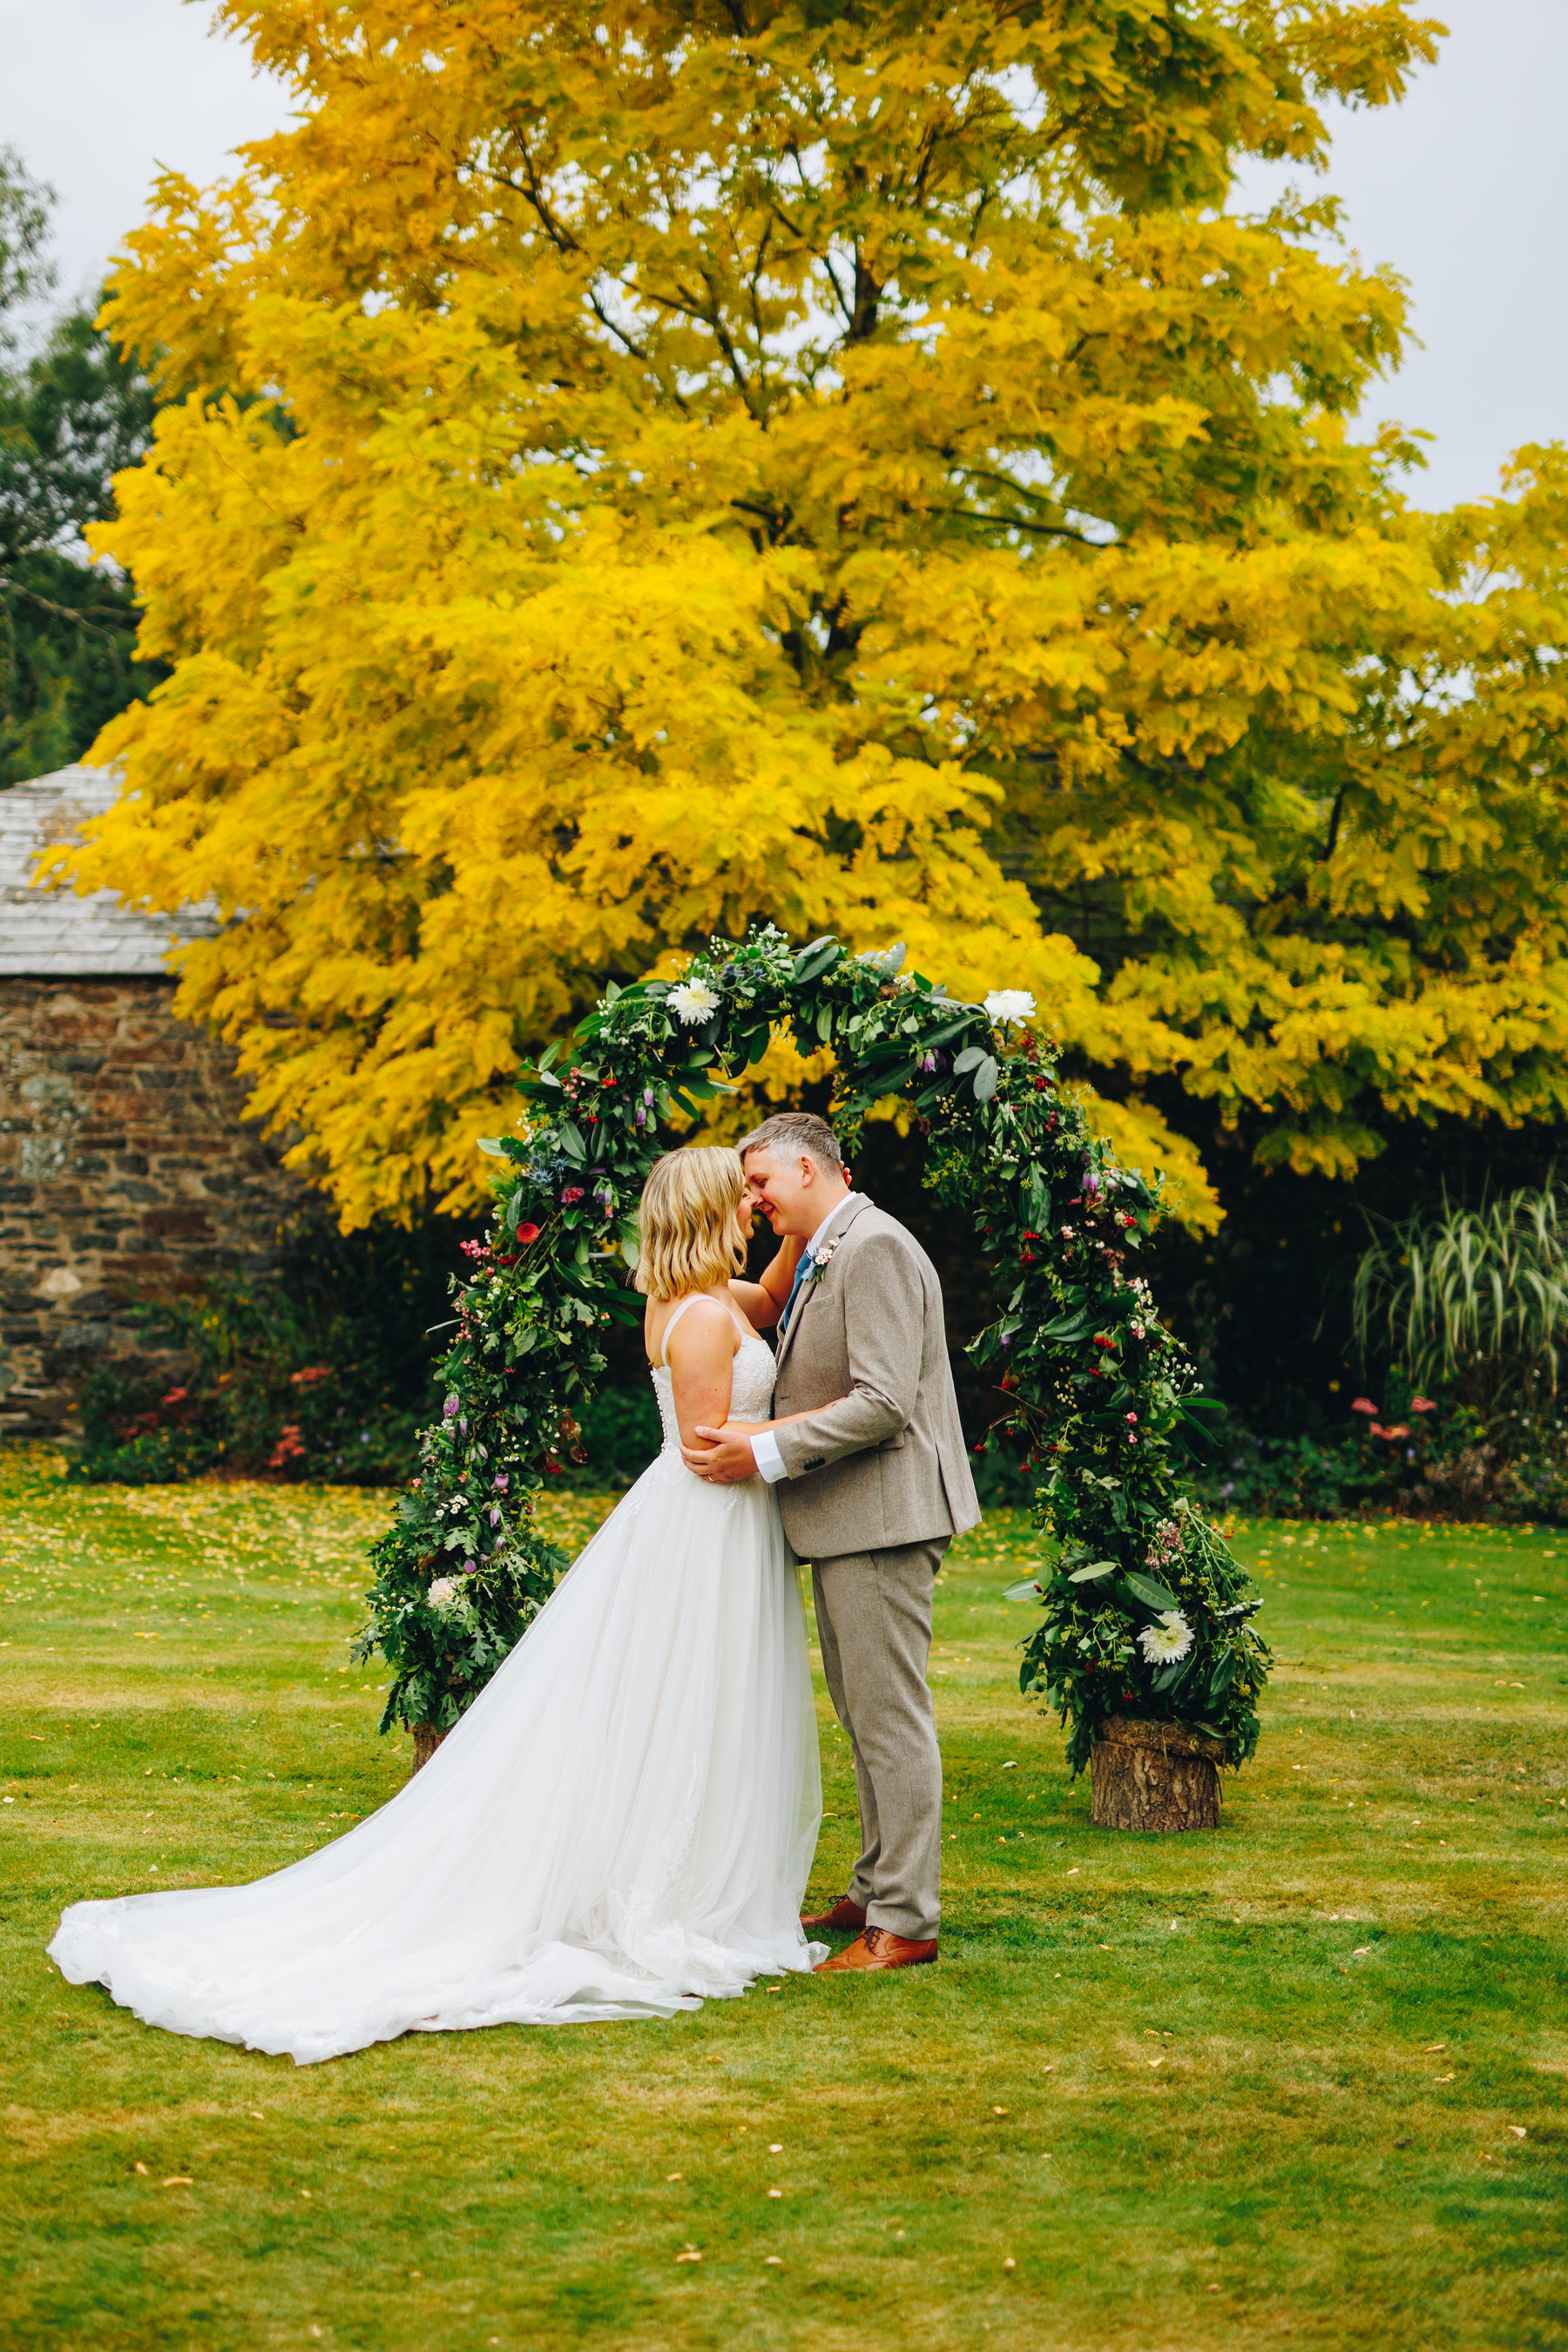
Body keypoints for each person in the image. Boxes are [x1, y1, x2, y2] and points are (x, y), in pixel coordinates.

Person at [49, 1148, 829, 2064]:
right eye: (737, 1201)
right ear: (705, 1213)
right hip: (705, 1524)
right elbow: (708, 1446)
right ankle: (667, 1890)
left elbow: (770, 1303)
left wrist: (810, 1226)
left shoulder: (709, 1300)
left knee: (698, 1702)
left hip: (722, 1529)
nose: (750, 1210)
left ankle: (694, 1867)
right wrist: (841, 1419)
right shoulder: (699, 1319)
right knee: (684, 1697)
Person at [683, 1112, 979, 1973]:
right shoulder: (827, 1246)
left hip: (885, 1517)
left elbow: (884, 1400)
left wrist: (762, 1450)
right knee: (863, 1714)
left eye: (762, 1183)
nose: (755, 1200)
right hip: (853, 1519)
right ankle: (877, 1888)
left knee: (888, 1720)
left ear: (809, 1171)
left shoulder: (874, 1247)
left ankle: (907, 1923)